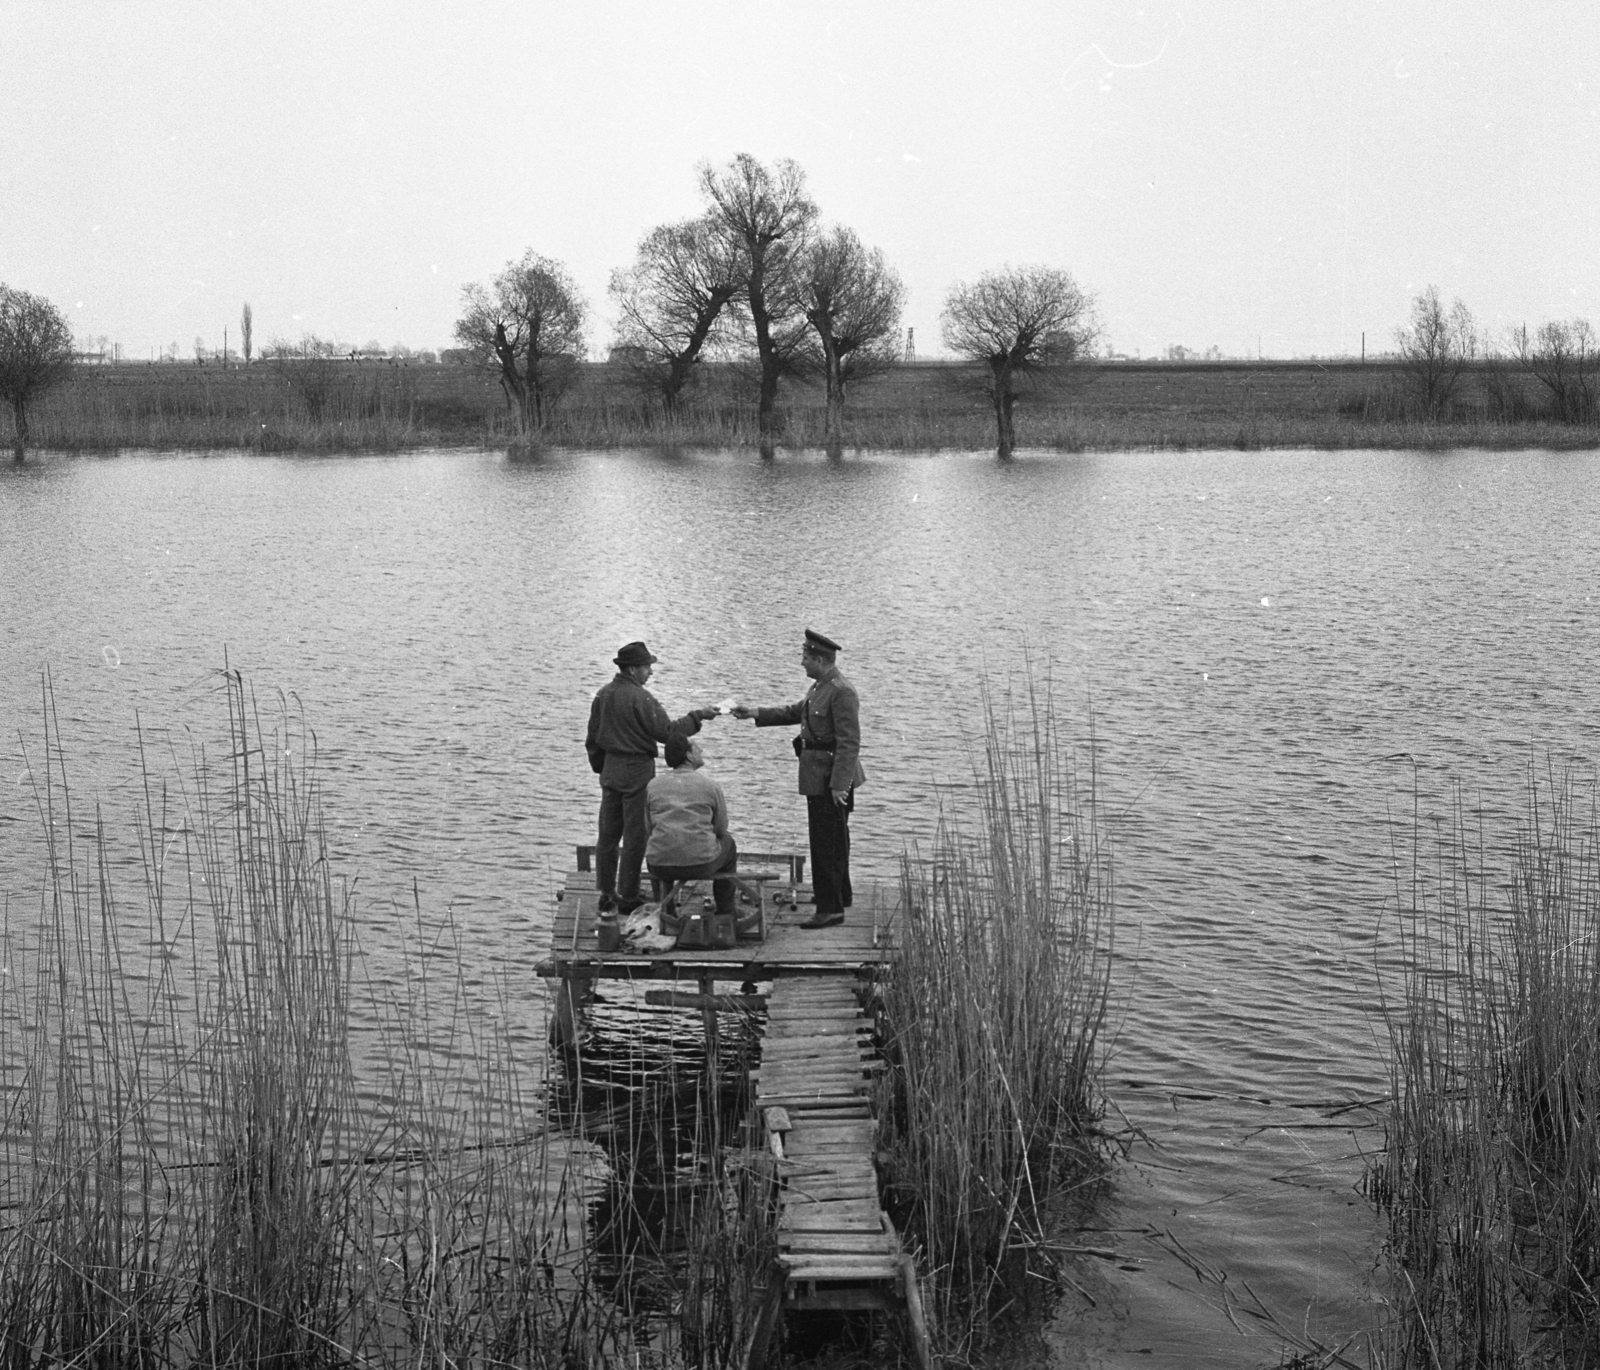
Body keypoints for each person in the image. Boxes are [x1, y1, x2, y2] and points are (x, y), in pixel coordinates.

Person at [731, 628, 864, 929]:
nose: (801, 663)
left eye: (805, 658)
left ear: (819, 659)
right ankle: (838, 895)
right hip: (820, 775)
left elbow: (849, 742)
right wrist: (753, 712)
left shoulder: (841, 691)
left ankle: (830, 910)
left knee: (826, 841)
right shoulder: (821, 686)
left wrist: (839, 786)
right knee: (834, 839)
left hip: (831, 779)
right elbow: (796, 712)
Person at [585, 641, 716, 915]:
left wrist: (603, 767)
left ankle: (606, 893)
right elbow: (668, 732)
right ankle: (628, 895)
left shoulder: (602, 695)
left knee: (607, 837)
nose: (650, 673)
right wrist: (698, 716)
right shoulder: (640, 698)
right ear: (632, 669)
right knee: (636, 836)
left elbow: (592, 740)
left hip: (610, 771)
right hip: (637, 772)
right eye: (647, 668)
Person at [645, 730, 739, 922]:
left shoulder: (653, 785)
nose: (701, 749)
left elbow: (648, 828)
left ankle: (666, 910)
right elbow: (721, 828)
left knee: (659, 846)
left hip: (659, 865)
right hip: (701, 864)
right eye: (697, 747)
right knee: (729, 843)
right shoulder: (709, 785)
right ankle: (726, 910)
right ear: (688, 755)